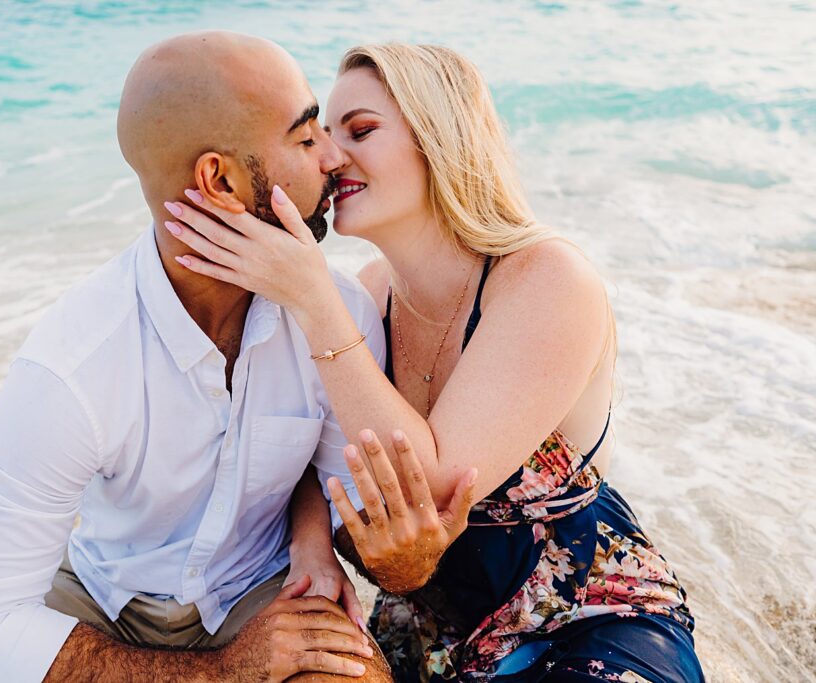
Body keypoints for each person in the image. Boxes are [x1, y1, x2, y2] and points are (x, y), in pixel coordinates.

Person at [163, 43, 705, 682]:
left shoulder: (544, 277)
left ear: (439, 138)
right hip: (427, 628)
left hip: (582, 620)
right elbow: (300, 446)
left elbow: (441, 481)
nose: (331, 158)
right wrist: (312, 540)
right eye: (323, 137)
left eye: (361, 131)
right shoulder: (365, 297)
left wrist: (309, 296)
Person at [0, 32, 399, 683]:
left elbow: (342, 479)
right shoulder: (75, 363)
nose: (332, 156)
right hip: (99, 593)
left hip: (258, 595)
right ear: (221, 180)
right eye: (305, 135)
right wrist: (223, 672)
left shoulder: (337, 316)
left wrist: (315, 538)